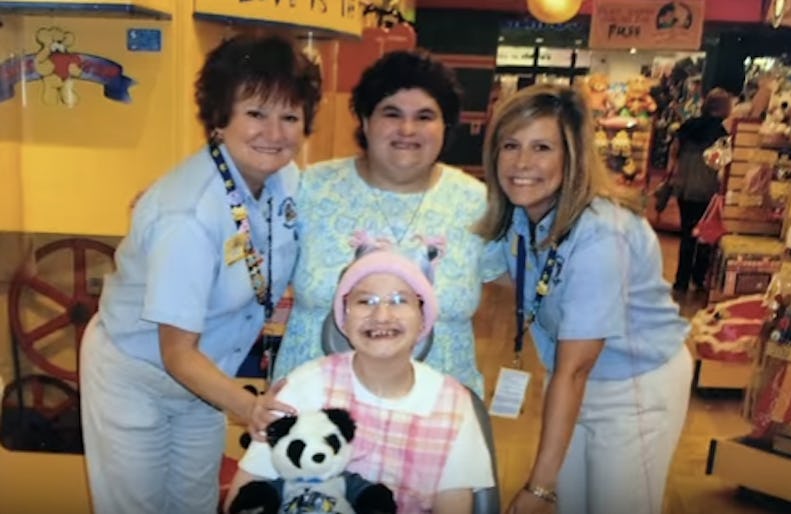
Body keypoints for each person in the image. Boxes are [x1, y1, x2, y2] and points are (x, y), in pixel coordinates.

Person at [79, 34, 321, 514]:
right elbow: (176, 353)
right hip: (138, 377)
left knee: (192, 505)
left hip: (208, 381)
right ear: (220, 118)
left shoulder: (285, 181)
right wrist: (250, 407)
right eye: (255, 113)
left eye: (289, 116)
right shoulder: (188, 215)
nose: (274, 132)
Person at [476, 83, 692, 514]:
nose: (522, 163)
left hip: (635, 385)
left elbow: (574, 370)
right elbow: (515, 275)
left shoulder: (601, 231)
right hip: (571, 381)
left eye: (542, 147)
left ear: (571, 156)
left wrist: (537, 489)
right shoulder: (521, 214)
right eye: (510, 145)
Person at [271, 50, 505, 397]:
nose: (407, 129)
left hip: (437, 411)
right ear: (365, 121)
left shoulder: (477, 202)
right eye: (391, 113)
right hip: (316, 409)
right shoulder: (311, 188)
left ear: (445, 127)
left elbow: (523, 281)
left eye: (425, 116)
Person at [226, 247, 495, 514]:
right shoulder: (305, 386)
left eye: (400, 300)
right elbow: (244, 496)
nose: (382, 316)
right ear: (344, 316)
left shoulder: (453, 405)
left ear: (423, 316)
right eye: (365, 301)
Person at [667, 87, 732, 294]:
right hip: (706, 190)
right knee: (705, 236)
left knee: (687, 234)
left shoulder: (688, 126)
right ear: (722, 108)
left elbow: (674, 152)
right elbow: (721, 164)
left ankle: (681, 281)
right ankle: (699, 278)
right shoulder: (720, 133)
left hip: (685, 187)